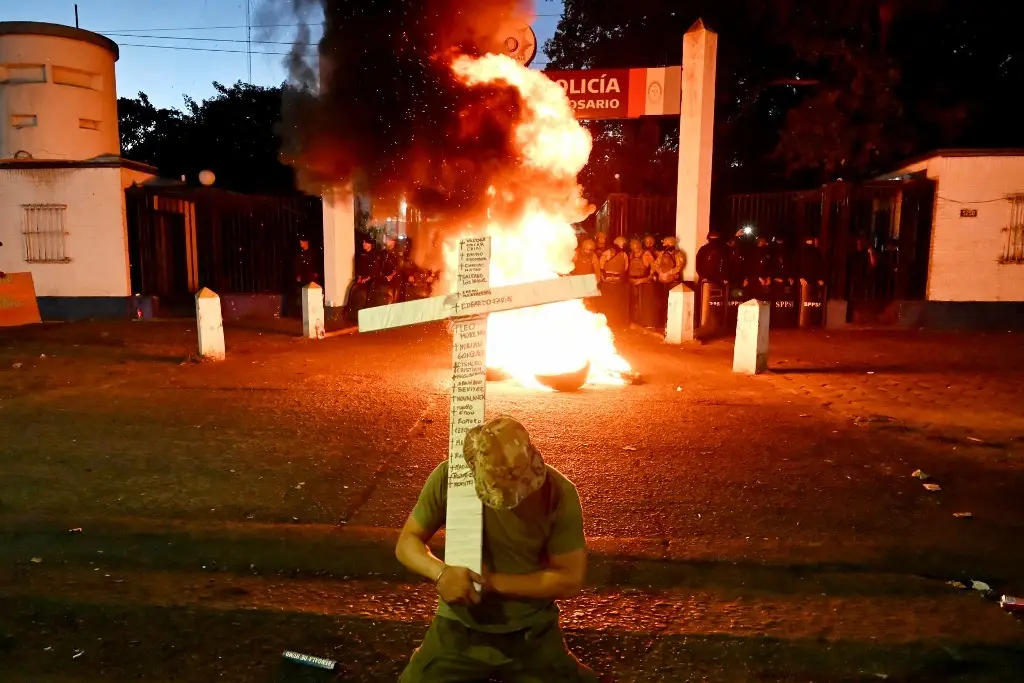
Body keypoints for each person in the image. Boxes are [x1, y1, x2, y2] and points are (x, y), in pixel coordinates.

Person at [396, 416, 597, 683]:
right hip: (458, 629)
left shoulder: (559, 491)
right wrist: (441, 573)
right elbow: (407, 541)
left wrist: (491, 582)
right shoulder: (449, 478)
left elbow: (570, 579)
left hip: (530, 631)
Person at [598, 236, 629, 327]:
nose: (621, 248)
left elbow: (625, 267)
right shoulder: (606, 253)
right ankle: (608, 321)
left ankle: (616, 321)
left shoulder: (624, 255)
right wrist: (603, 278)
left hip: (618, 282)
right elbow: (601, 266)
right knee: (607, 303)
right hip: (607, 282)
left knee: (617, 303)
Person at [627, 238, 657, 327]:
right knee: (633, 302)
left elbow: (654, 265)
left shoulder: (646, 254)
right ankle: (634, 320)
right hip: (632, 281)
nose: (635, 250)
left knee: (644, 303)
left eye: (636, 248)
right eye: (633, 248)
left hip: (644, 281)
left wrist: (650, 276)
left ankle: (645, 321)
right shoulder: (631, 255)